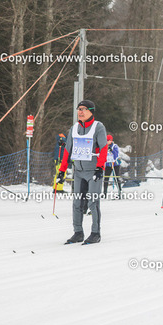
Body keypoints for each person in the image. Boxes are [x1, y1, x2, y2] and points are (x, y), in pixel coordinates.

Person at [57, 100, 108, 244]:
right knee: (77, 202)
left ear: (91, 111)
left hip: (93, 171)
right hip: (78, 171)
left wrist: (100, 168)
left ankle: (95, 233)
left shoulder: (98, 127)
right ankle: (78, 232)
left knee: (93, 202)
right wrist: (62, 171)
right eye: (78, 109)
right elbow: (67, 150)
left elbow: (103, 148)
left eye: (83, 109)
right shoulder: (74, 128)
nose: (80, 112)